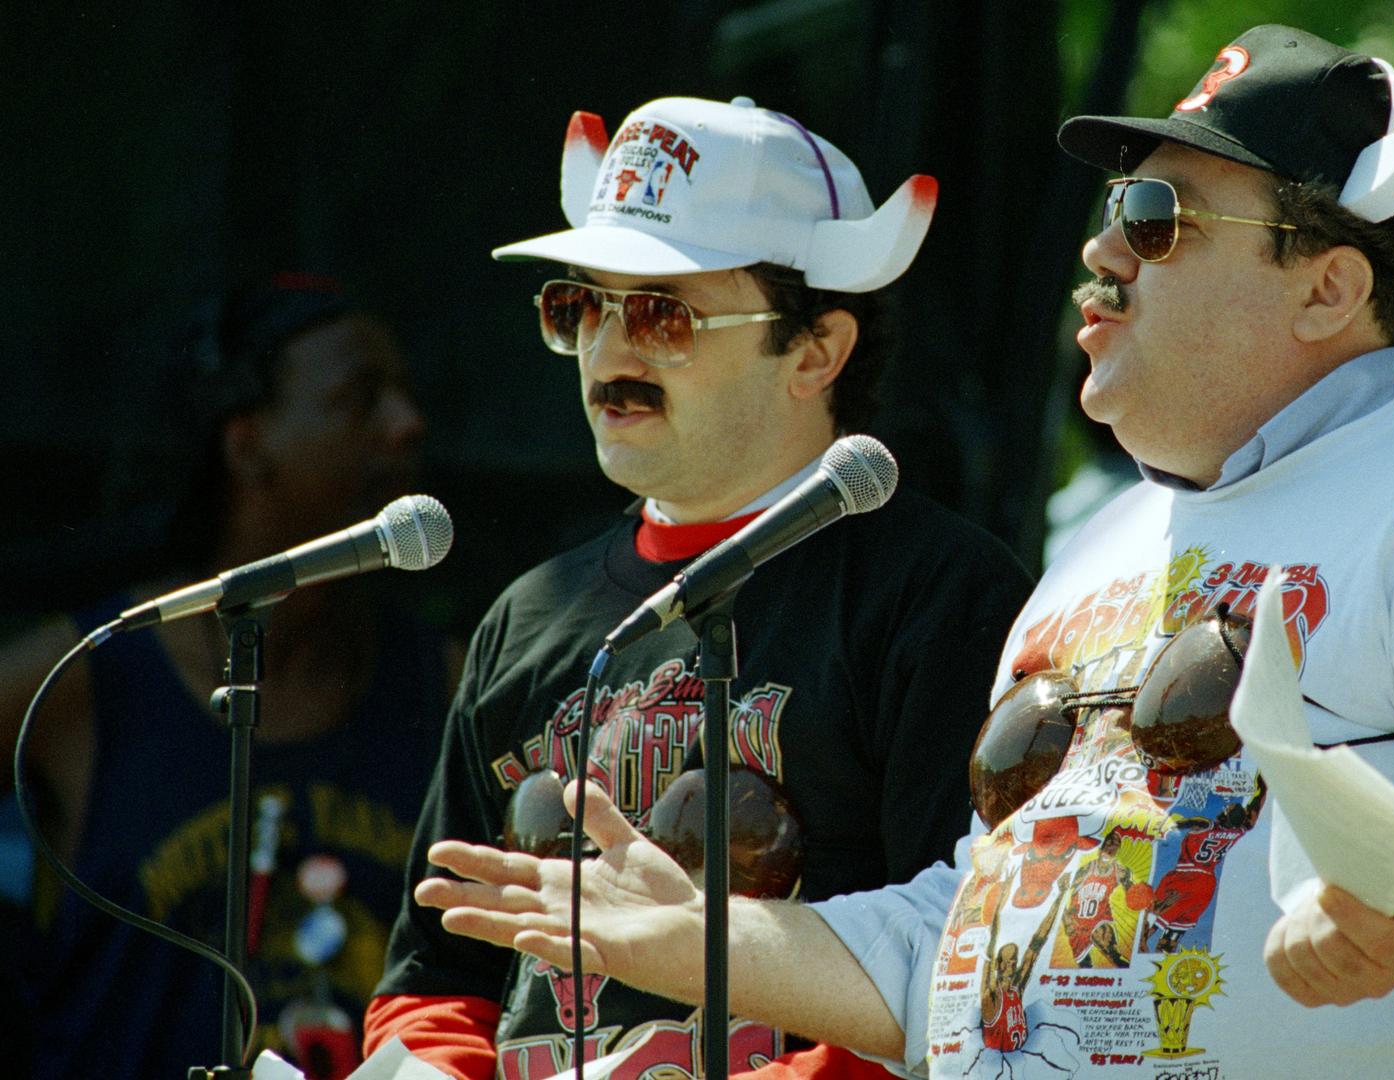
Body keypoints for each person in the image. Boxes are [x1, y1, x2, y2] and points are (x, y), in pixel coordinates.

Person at [412, 26, 1394, 1079]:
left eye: (1156, 215)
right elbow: (950, 937)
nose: (1101, 249)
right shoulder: (1102, 552)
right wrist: (715, 940)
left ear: (1328, 288)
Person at [364, 96, 1031, 1079]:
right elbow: (436, 976)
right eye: (578, 305)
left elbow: (970, 964)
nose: (608, 353)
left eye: (663, 314)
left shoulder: (942, 594)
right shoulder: (529, 615)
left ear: (816, 351)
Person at [1, 275, 451, 1080]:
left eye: (406, 396)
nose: (406, 424)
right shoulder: (87, 675)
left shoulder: (443, 684)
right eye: (360, 399)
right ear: (246, 444)